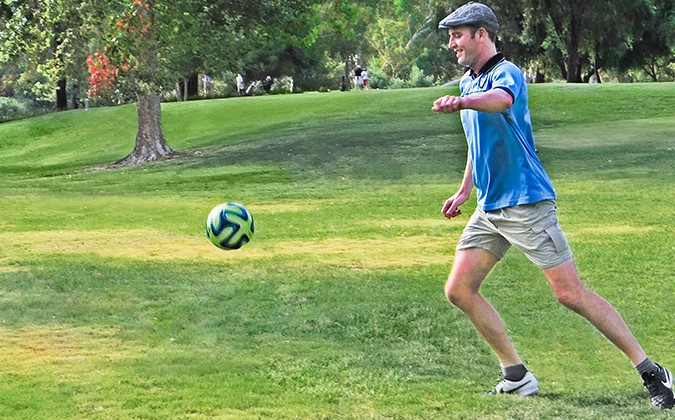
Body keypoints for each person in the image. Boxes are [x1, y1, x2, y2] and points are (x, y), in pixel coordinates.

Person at [432, 2, 673, 409]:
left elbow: (501, 102)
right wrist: (464, 190)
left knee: (570, 293)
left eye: (457, 35)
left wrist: (463, 103)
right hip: (490, 209)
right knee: (459, 289)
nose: (452, 43)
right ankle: (516, 376)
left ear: (481, 34)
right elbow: (477, 142)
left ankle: (653, 371)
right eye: (451, 36)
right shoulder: (468, 82)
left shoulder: (505, 73)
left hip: (526, 203)